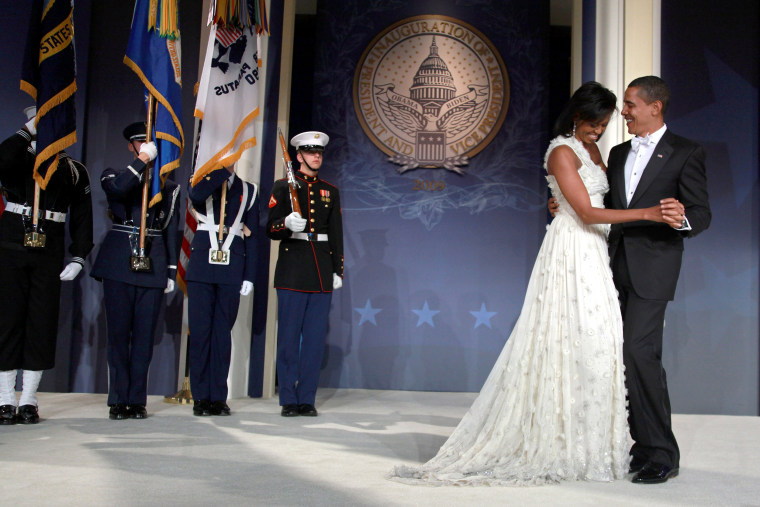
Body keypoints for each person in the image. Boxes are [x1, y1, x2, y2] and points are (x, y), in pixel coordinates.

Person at [390, 82, 684, 485]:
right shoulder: (562, 150)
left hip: (599, 255)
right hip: (572, 253)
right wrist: (645, 214)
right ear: (577, 115)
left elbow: (603, 200)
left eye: (604, 124)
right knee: (566, 341)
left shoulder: (603, 153)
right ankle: (563, 440)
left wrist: (565, 203)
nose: (598, 131)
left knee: (600, 345)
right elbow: (585, 211)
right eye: (593, 123)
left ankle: (598, 441)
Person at [606, 76, 710, 484]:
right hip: (611, 269)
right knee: (623, 360)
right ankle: (643, 445)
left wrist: (680, 217)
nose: (625, 112)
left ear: (655, 107)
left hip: (654, 270)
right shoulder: (616, 154)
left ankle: (662, 451)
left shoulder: (686, 152)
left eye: (631, 104)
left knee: (639, 353)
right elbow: (611, 208)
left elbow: (702, 212)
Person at [0, 107, 93, 425]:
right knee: (8, 320)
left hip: (48, 249)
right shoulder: (16, 159)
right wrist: (27, 130)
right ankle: (4, 399)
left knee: (40, 323)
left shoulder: (74, 170)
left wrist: (80, 256)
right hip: (12, 244)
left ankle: (28, 400)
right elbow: (1, 160)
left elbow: (83, 218)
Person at [90, 122, 180, 420]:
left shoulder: (168, 188)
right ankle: (118, 399)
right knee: (118, 335)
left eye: (149, 143)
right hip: (119, 262)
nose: (145, 147)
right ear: (131, 146)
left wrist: (169, 270)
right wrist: (141, 163)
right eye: (140, 143)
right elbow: (118, 190)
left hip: (152, 262)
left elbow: (168, 231)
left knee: (143, 337)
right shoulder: (113, 174)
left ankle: (136, 400)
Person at [267, 131, 344, 417]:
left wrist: (338, 270)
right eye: (311, 153)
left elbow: (336, 234)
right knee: (288, 339)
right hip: (292, 271)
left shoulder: (330, 190)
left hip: (321, 271)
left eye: (319, 153)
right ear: (298, 156)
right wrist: (286, 223)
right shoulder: (282, 186)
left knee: (313, 342)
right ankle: (288, 398)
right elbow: (270, 229)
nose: (316, 157)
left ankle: (306, 399)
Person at [186, 167, 258, 416]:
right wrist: (219, 172)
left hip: (232, 266)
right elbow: (196, 197)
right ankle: (200, 398)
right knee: (200, 333)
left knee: (221, 334)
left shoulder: (249, 190)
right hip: (202, 266)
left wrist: (250, 275)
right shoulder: (201, 182)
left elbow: (253, 236)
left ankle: (218, 397)